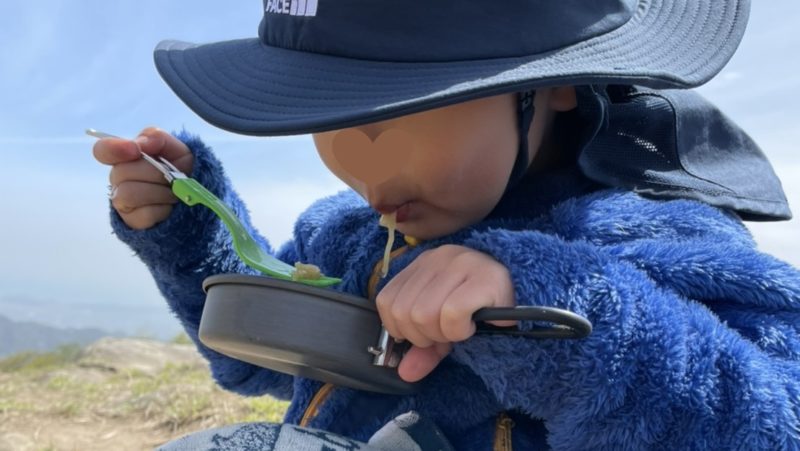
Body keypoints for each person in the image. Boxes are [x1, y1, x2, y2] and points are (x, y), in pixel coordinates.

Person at [92, 1, 800, 449]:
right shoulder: (349, 232)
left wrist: (560, 312)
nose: (360, 169)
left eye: (397, 110)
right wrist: (187, 233)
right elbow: (258, 358)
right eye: (323, 113)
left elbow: (774, 420)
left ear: (547, 83)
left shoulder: (649, 236)